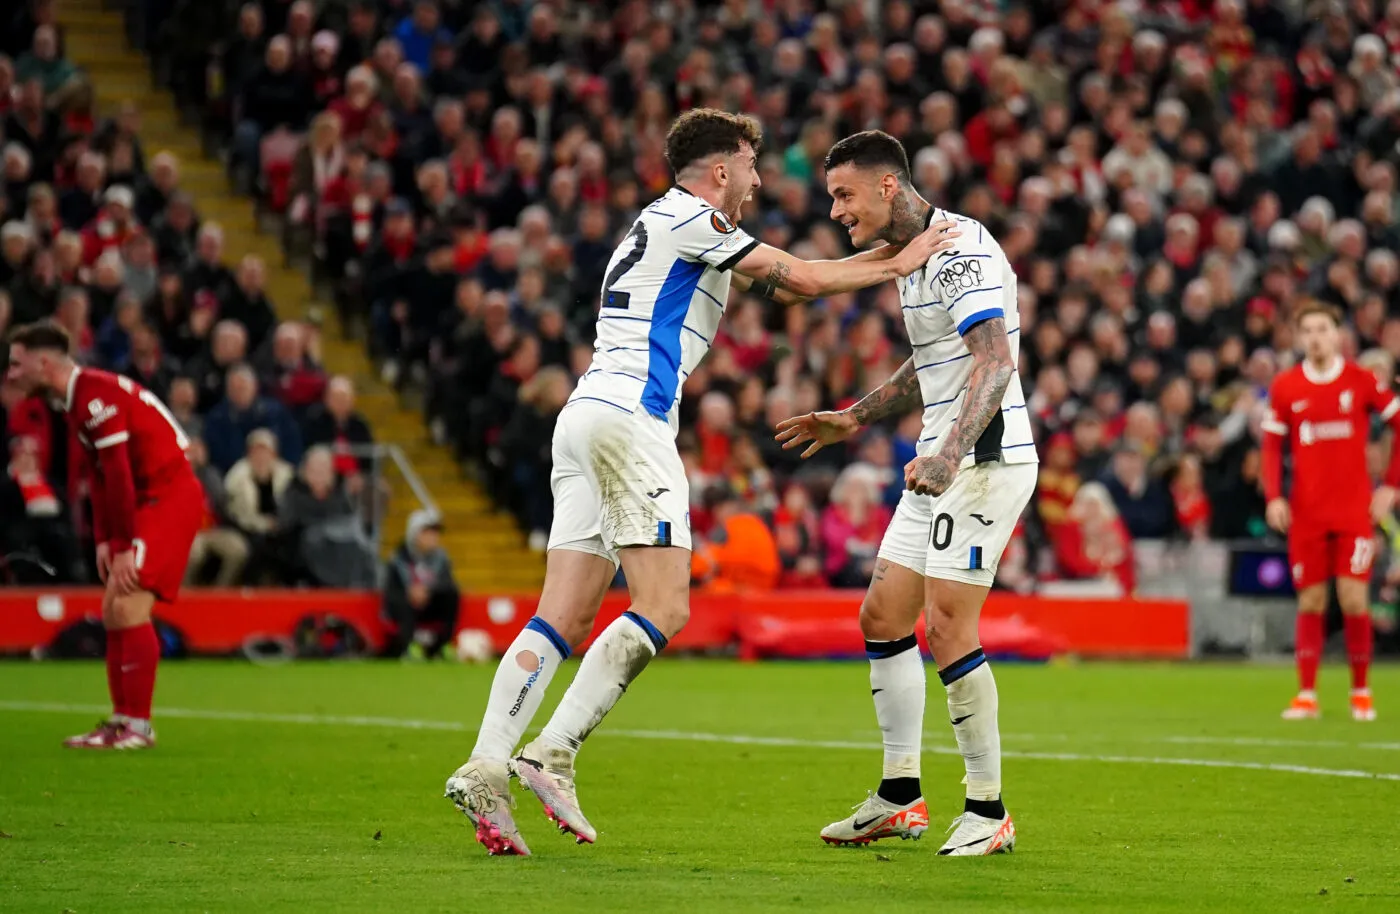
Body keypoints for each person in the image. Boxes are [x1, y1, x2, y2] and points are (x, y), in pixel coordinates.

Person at [443, 109, 959, 857]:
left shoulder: (662, 225)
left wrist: (869, 260)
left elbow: (784, 289)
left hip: (584, 416)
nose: (758, 181)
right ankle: (552, 751)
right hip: (633, 418)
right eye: (750, 166)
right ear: (721, 170)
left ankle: (486, 763)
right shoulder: (693, 217)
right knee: (664, 604)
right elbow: (802, 276)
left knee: (562, 615)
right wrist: (901, 260)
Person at [775, 131, 1036, 856]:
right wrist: (855, 416)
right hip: (940, 461)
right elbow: (934, 363)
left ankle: (988, 809)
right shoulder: (911, 256)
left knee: (949, 628)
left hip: (982, 461)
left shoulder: (958, 253)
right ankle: (900, 797)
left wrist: (950, 454)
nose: (836, 211)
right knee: (883, 615)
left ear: (888, 185)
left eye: (845, 195)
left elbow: (994, 361)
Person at [5, 320, 205, 750]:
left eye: (17, 364)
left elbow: (117, 476)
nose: (11, 373)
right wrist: (103, 540)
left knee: (129, 605)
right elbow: (98, 475)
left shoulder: (94, 396)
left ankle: (139, 727)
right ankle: (120, 721)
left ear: (44, 363)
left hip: (168, 496)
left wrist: (122, 546)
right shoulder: (77, 399)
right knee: (113, 610)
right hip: (150, 499)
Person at [1261, 302, 1400, 722]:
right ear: (1298, 337)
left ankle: (1361, 692)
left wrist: (1391, 485)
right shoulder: (1286, 386)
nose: (1316, 338)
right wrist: (1274, 496)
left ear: (1338, 334)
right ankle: (1307, 695)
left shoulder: (1361, 381)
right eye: (1308, 330)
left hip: (1354, 512)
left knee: (1354, 598)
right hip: (1307, 513)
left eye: (1323, 329)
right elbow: (1272, 447)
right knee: (1311, 599)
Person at [382, 509, 460, 659]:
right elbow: (390, 590)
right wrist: (410, 592)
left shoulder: (441, 558)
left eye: (435, 533)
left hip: (430, 604)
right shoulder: (397, 557)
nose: (433, 537)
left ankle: (443, 644)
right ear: (414, 533)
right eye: (428, 532)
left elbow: (448, 584)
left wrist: (428, 590)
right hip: (405, 605)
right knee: (401, 601)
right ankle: (407, 645)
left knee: (451, 595)